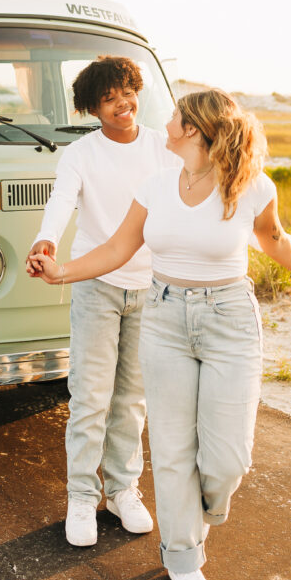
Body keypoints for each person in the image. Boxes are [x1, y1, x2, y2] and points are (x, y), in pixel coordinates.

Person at [29, 88, 291, 580]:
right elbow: (116, 247)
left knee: (227, 459)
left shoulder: (251, 186)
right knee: (175, 449)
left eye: (177, 115)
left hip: (229, 320)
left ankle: (201, 513)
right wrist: (61, 272)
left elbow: (272, 238)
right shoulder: (156, 186)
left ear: (196, 131)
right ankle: (182, 557)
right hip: (164, 316)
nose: (167, 120)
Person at [25, 55, 177, 548]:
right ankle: (81, 497)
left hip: (149, 286)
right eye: (108, 99)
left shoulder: (161, 147)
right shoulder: (81, 154)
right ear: (93, 108)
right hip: (96, 286)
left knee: (132, 398)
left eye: (126, 93)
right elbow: (61, 201)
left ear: (138, 91)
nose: (121, 105)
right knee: (90, 397)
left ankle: (124, 490)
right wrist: (45, 239)